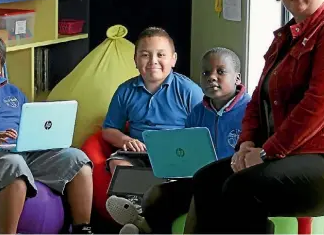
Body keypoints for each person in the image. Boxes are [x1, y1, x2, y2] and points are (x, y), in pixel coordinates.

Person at [189, 0, 324, 234]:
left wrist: (268, 152)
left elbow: (319, 103)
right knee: (206, 179)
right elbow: (258, 98)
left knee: (241, 188)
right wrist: (246, 144)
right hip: (285, 155)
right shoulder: (285, 37)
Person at [0, 30, 94, 234]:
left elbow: (32, 120)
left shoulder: (13, 92)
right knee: (14, 166)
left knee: (77, 159)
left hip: (25, 148)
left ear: (2, 65)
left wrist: (45, 137)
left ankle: (82, 228)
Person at [106, 47, 251, 233]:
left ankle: (142, 227)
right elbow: (188, 152)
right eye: (206, 72)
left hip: (232, 182)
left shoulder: (250, 110)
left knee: (199, 201)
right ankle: (143, 224)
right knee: (155, 195)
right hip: (198, 178)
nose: (212, 77)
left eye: (220, 72)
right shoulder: (198, 112)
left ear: (237, 78)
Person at [102, 27, 204, 173]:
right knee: (117, 163)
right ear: (135, 60)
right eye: (145, 55)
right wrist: (126, 140)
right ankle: (133, 195)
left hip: (176, 153)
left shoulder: (189, 91)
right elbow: (108, 129)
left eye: (161, 55)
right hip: (138, 154)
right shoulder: (125, 90)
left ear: (173, 59)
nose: (153, 61)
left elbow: (203, 132)